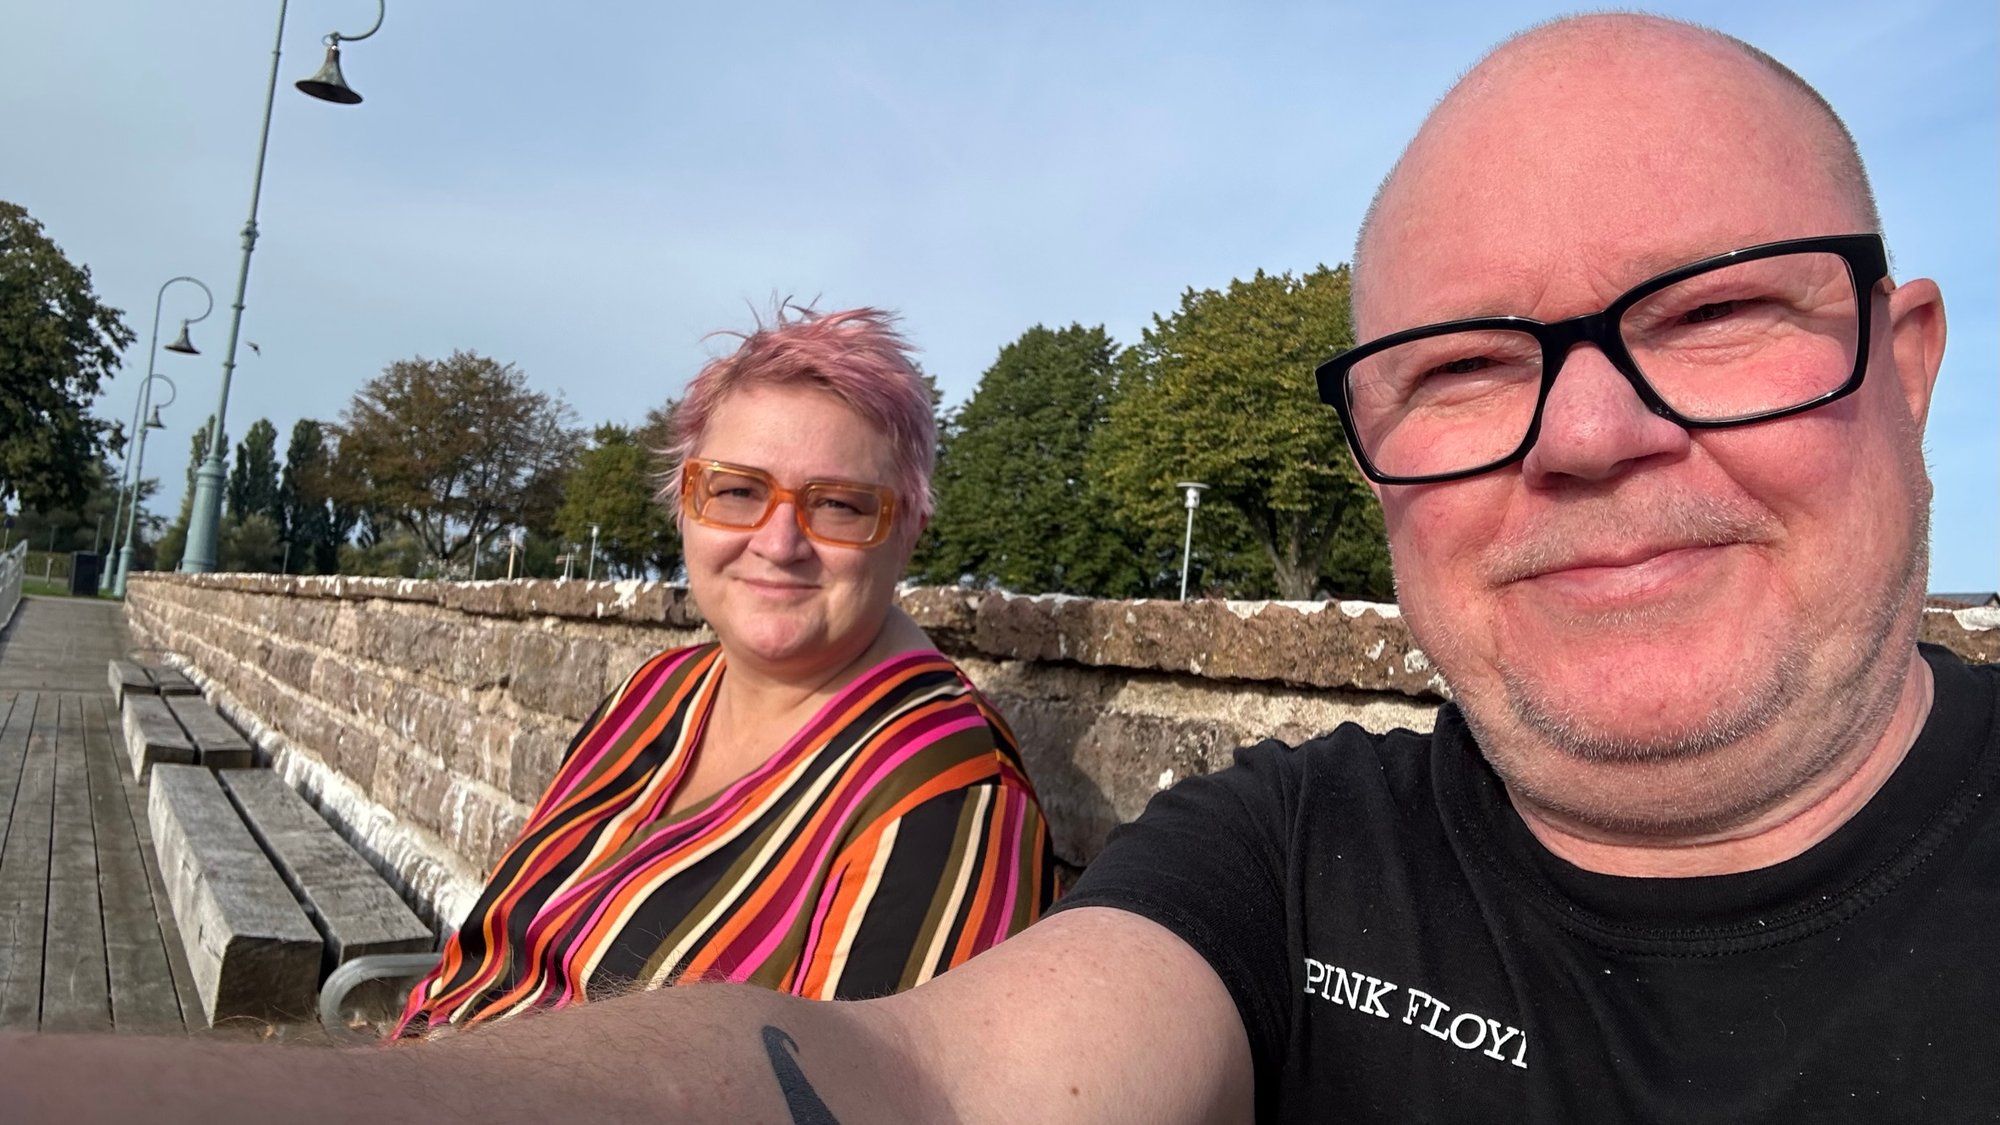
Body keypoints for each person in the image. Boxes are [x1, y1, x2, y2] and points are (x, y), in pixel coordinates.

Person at [1, 13, 1990, 1123]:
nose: (1588, 433)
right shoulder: (1295, 854)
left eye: (1718, 317)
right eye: (1468, 365)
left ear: (1907, 366)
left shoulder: (929, 779)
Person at [396, 306, 1056, 1033]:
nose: (778, 543)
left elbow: (852, 1084)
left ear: (907, 533)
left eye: (838, 505)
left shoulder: (945, 796)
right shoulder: (655, 693)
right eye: (738, 490)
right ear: (686, 502)